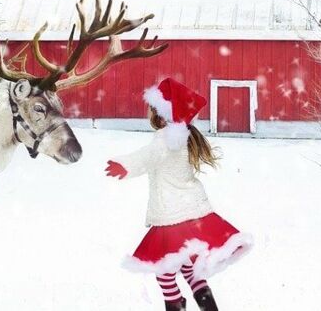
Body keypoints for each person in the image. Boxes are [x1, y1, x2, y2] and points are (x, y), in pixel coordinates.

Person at [105, 78, 252, 311]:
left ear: (163, 113)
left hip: (172, 216)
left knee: (164, 272)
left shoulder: (165, 140)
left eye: (155, 109)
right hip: (191, 213)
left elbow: (147, 156)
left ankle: (175, 306)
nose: (152, 114)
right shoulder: (183, 135)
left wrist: (126, 165)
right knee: (190, 270)